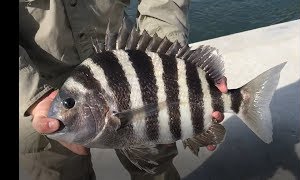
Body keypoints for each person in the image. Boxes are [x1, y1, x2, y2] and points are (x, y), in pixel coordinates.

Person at [19, 0, 228, 180]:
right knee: (61, 173)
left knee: (156, 166)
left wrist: (171, 68)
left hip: (136, 67)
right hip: (34, 86)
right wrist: (33, 95)